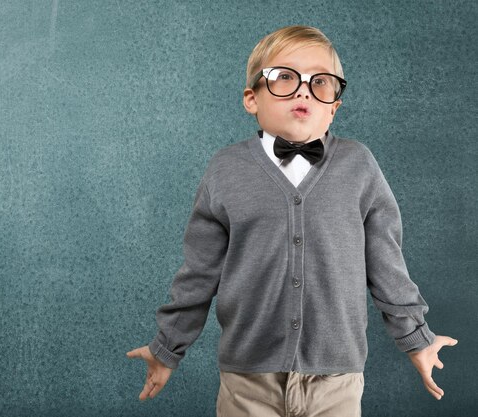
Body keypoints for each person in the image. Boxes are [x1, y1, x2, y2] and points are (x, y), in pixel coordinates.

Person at [126, 25, 458, 416]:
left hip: (337, 379)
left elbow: (386, 264)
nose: (303, 90)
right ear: (252, 98)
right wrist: (168, 349)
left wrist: (417, 339)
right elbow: (199, 272)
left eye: (320, 82)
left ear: (334, 105)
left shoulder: (359, 166)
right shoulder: (225, 169)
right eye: (284, 77)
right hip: (247, 379)